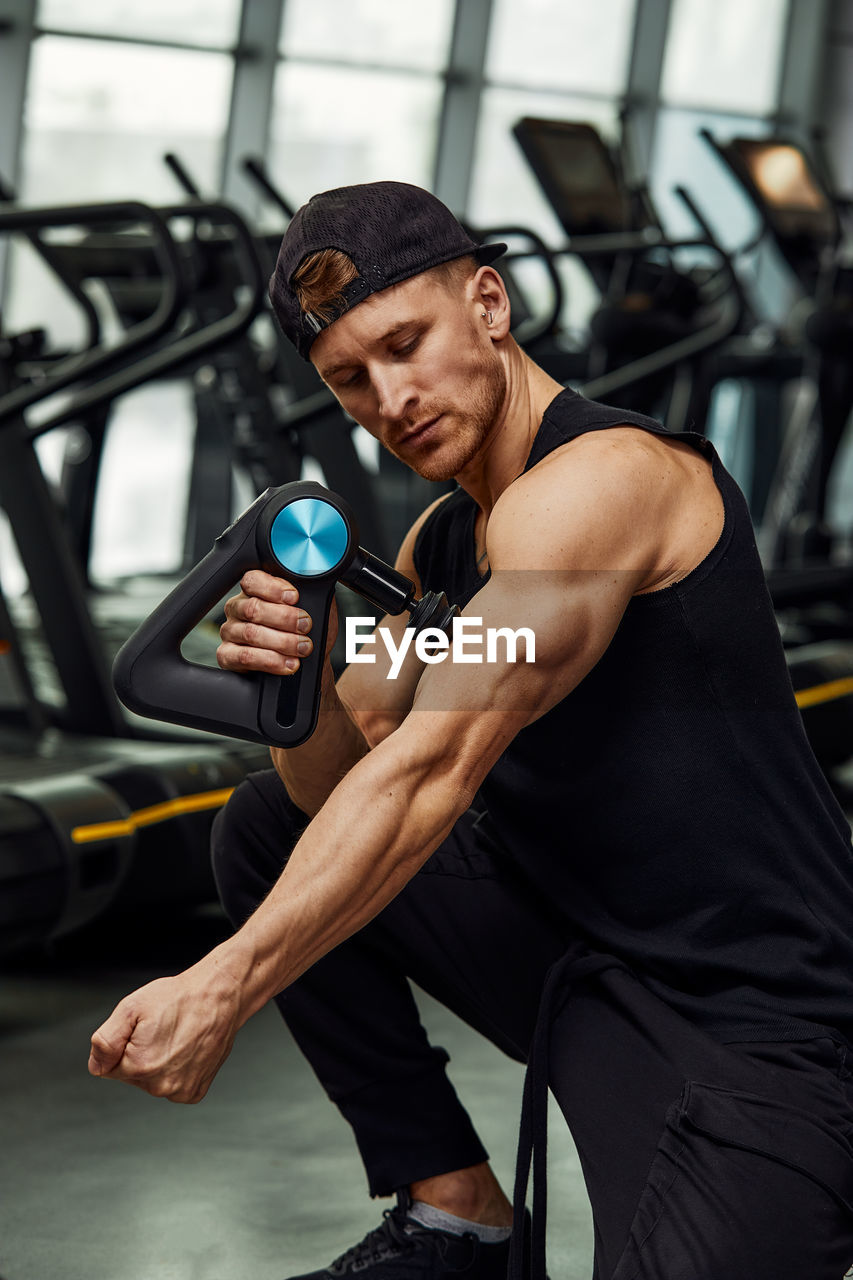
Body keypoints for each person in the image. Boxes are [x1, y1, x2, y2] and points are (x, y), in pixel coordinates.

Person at [89, 181, 853, 1279]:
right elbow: (336, 775)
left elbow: (434, 760)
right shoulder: (443, 546)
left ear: (487, 304)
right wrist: (298, 678)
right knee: (262, 825)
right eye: (350, 378)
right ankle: (455, 1218)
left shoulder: (607, 484)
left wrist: (225, 982)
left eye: (406, 344)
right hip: (583, 974)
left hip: (762, 1025)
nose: (389, 398)